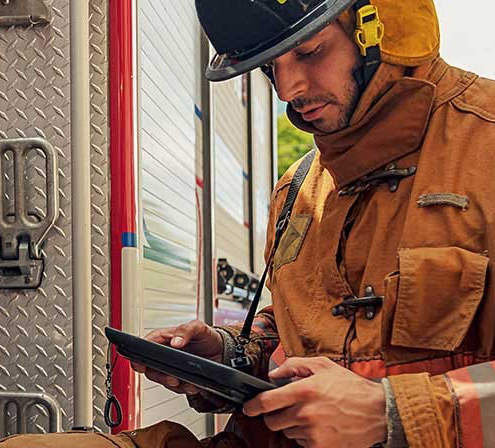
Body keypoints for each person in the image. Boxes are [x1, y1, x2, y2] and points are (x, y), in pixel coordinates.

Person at [2, 0, 495, 447]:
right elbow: (285, 337)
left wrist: (389, 415)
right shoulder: (300, 188)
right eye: (270, 67)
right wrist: (226, 358)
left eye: (309, 51)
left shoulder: (485, 145)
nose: (288, 89)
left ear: (380, 29)